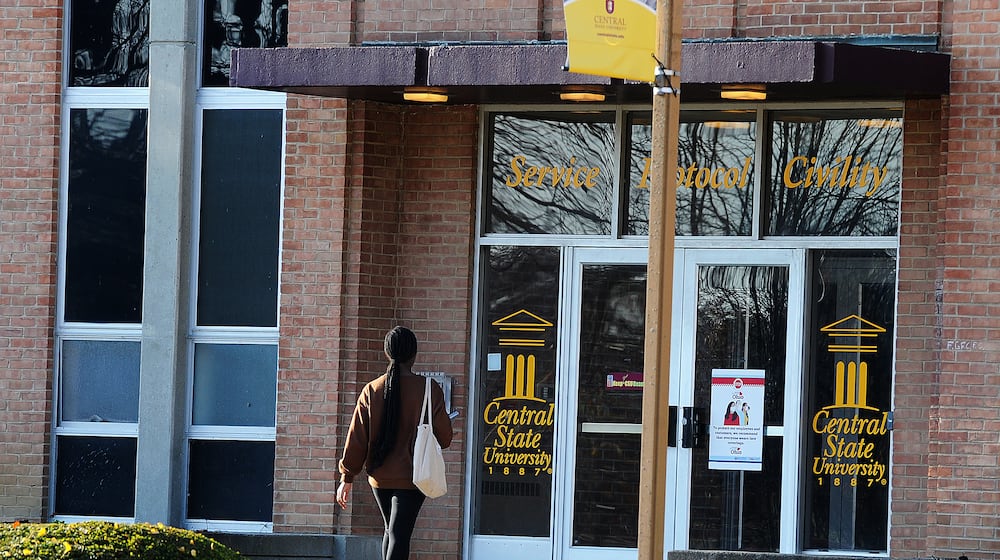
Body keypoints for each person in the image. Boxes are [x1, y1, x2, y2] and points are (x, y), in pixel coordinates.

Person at [337, 326, 453, 560]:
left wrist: (346, 478)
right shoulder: (429, 389)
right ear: (414, 354)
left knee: (390, 530)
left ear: (387, 353)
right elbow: (445, 438)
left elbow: (357, 437)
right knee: (399, 534)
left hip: (379, 476)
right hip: (414, 476)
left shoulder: (372, 390)